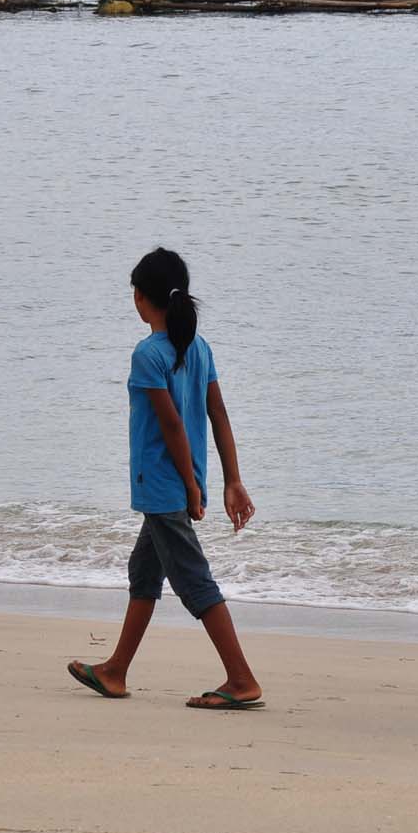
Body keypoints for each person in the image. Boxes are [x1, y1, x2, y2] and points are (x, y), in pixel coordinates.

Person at [67, 248, 264, 711]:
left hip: (163, 486)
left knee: (195, 582)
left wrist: (193, 489)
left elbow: (173, 425)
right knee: (145, 572)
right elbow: (217, 414)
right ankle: (115, 671)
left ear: (141, 297)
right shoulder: (199, 348)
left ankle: (241, 679)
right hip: (180, 481)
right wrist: (230, 479)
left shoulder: (147, 355)